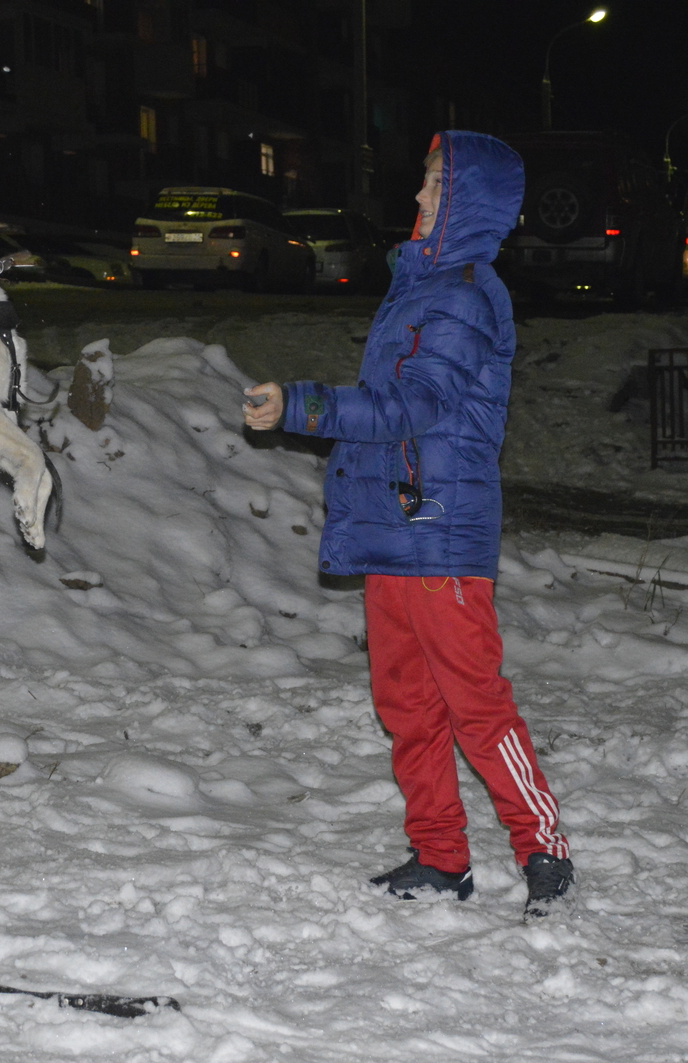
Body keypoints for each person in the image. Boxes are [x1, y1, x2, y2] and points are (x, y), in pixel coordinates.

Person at [243, 131, 573, 917]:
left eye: (433, 185)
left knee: (475, 705)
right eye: (422, 183)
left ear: (467, 203)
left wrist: (302, 404)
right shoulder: (420, 287)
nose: (418, 198)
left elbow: (412, 407)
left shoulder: (461, 292)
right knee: (407, 703)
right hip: (398, 525)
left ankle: (544, 848)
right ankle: (440, 855)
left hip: (443, 532)